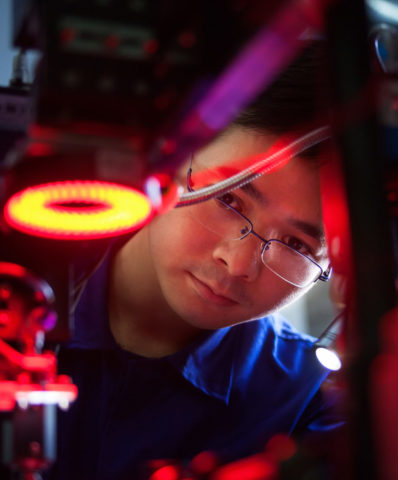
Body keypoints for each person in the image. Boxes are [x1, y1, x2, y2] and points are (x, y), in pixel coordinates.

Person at [49, 40, 343, 480]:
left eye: (298, 246)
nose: (239, 263)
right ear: (165, 153)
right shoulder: (17, 307)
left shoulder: (309, 407)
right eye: (229, 199)